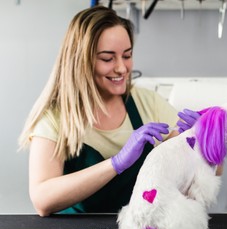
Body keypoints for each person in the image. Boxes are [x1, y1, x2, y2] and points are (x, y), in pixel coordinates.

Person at [18, 6, 199, 217]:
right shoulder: (55, 118)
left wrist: (202, 141)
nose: (122, 68)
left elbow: (208, 172)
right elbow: (42, 200)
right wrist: (117, 163)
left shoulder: (148, 103)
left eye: (127, 55)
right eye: (107, 58)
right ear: (80, 60)